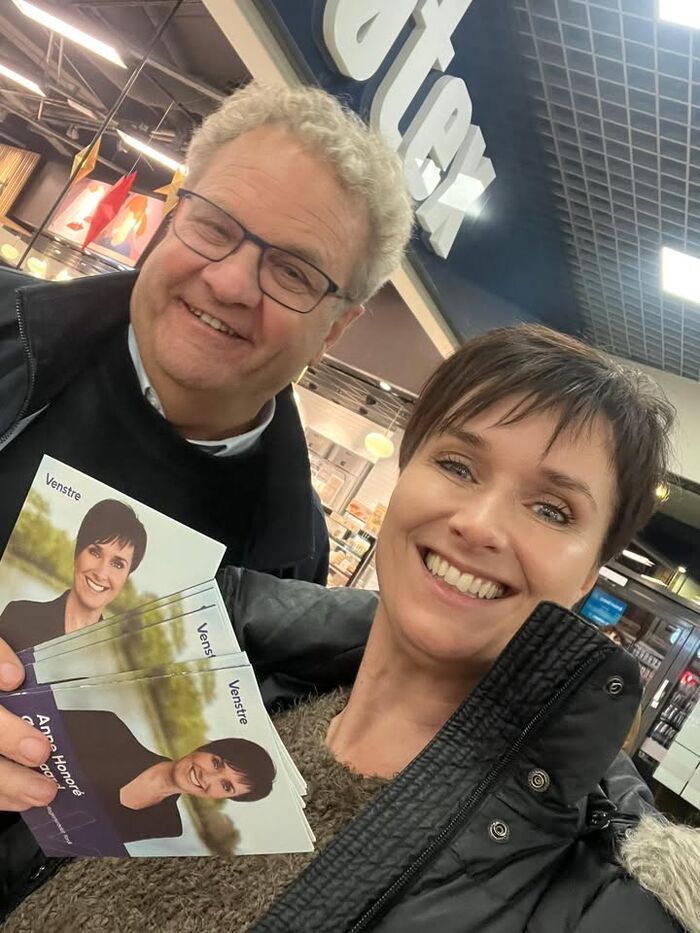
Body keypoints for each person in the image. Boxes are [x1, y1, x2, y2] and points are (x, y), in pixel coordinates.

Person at [3, 325, 700, 930]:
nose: (479, 524)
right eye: (457, 465)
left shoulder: (583, 902)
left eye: (551, 510)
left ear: (588, 576)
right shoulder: (231, 673)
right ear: (405, 476)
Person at [0, 81, 413, 587]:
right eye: (215, 227)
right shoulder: (7, 327)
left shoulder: (293, 560)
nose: (229, 283)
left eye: (292, 272)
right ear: (174, 218)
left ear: (334, 330)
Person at [53, 707, 274, 849]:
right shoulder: (106, 726)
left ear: (222, 798)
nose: (207, 776)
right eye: (216, 762)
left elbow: (75, 845)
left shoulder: (166, 825)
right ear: (204, 747)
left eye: (225, 786)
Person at [0, 499, 147, 652]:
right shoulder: (19, 617)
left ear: (126, 577)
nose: (101, 573)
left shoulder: (113, 661)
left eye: (117, 564)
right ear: (78, 552)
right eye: (95, 552)